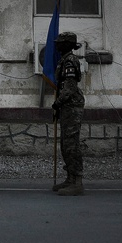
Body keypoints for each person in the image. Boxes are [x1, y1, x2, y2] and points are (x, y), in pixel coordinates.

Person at [52, 31, 85, 196]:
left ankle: (77, 181)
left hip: (71, 106)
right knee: (66, 144)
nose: (57, 44)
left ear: (67, 44)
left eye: (60, 42)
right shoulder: (64, 59)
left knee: (71, 144)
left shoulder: (70, 60)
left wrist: (57, 102)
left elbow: (70, 87)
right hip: (66, 106)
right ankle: (70, 178)